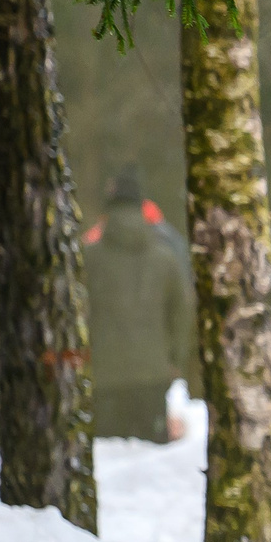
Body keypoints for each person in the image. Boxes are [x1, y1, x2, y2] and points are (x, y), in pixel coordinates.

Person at [82, 168, 194, 442]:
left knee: (112, 463)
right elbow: (183, 312)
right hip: (153, 377)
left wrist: (81, 364)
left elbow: (75, 315)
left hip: (103, 378)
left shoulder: (87, 259)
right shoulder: (166, 257)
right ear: (142, 205)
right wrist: (174, 361)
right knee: (151, 467)